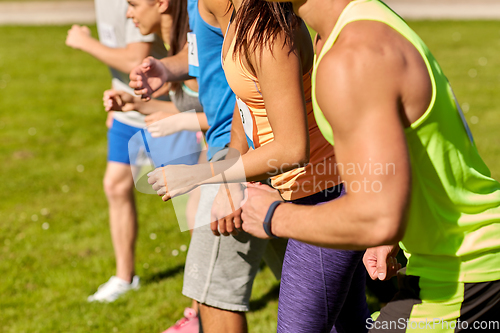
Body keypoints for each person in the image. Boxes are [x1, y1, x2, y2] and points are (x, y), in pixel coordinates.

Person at [241, 0, 500, 331]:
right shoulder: (348, 26)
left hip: (466, 276)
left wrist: (272, 216)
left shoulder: (353, 55)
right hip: (456, 268)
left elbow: (378, 219)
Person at [147, 0, 371, 331]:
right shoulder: (231, 11)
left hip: (324, 198)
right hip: (297, 195)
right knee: (348, 326)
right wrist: (229, 177)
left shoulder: (271, 32)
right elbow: (245, 102)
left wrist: (199, 175)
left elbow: (292, 149)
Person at [129, 0, 288, 332]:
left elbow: (250, 81)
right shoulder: (200, 3)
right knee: (309, 286)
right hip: (248, 153)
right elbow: (205, 52)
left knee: (213, 294)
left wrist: (232, 176)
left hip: (243, 152)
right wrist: (166, 69)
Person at [66, 0, 199, 303]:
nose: (129, 11)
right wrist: (123, 99)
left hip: (169, 111)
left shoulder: (140, 6)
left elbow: (134, 58)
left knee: (190, 204)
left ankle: (200, 302)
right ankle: (125, 277)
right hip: (131, 107)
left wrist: (84, 43)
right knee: (115, 184)